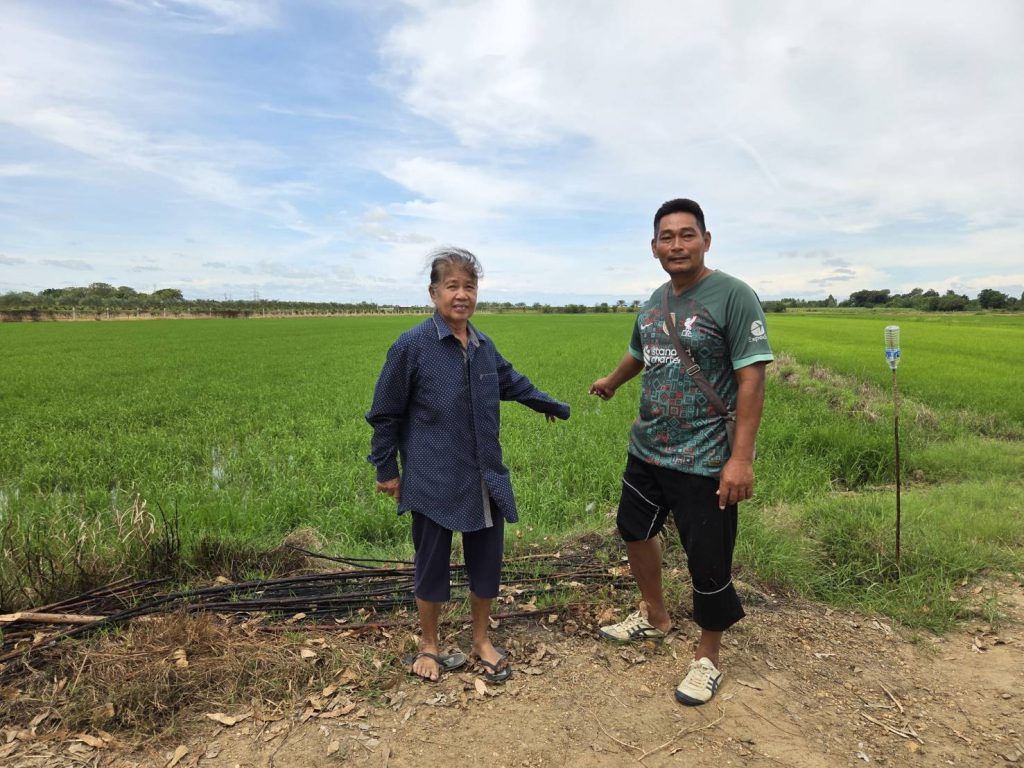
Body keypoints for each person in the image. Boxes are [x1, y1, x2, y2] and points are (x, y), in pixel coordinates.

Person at [589, 198, 773, 706]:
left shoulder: (733, 295)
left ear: (705, 240)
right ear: (654, 247)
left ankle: (708, 656)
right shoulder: (655, 301)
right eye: (666, 237)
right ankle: (655, 615)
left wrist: (740, 459)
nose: (677, 244)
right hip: (648, 448)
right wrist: (612, 381)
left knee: (708, 559)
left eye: (687, 235)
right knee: (634, 529)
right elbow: (640, 352)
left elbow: (752, 378)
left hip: (705, 456)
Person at [367, 247, 570, 683]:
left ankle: (481, 640)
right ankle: (429, 644)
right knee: (431, 564)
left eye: (470, 286)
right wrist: (386, 469)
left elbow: (511, 382)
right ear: (434, 293)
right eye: (452, 286)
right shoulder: (412, 346)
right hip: (432, 477)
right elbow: (385, 413)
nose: (462, 295)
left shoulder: (482, 346)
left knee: (486, 564)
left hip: (483, 475)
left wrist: (549, 404)